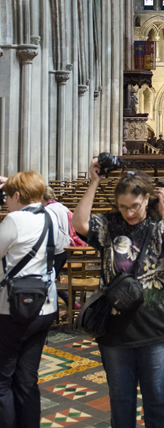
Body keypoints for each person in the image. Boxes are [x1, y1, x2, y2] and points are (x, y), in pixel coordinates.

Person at [72, 159, 164, 428]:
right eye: (123, 206)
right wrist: (94, 182)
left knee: (157, 402)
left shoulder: (159, 224)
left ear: (147, 198)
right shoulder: (109, 224)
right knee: (121, 401)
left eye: (135, 206)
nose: (129, 213)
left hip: (156, 329)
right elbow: (79, 223)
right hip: (115, 331)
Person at [0, 171, 66, 428]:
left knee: (3, 379)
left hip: (12, 308)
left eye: (7, 197)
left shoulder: (15, 219)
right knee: (28, 378)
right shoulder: (50, 216)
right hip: (45, 306)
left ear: (17, 195)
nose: (6, 202)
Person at [42, 186, 86, 305]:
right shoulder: (62, 207)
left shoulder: (48, 210)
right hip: (65, 247)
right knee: (54, 277)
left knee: (49, 279)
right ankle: (69, 302)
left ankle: (69, 302)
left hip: (55, 248)